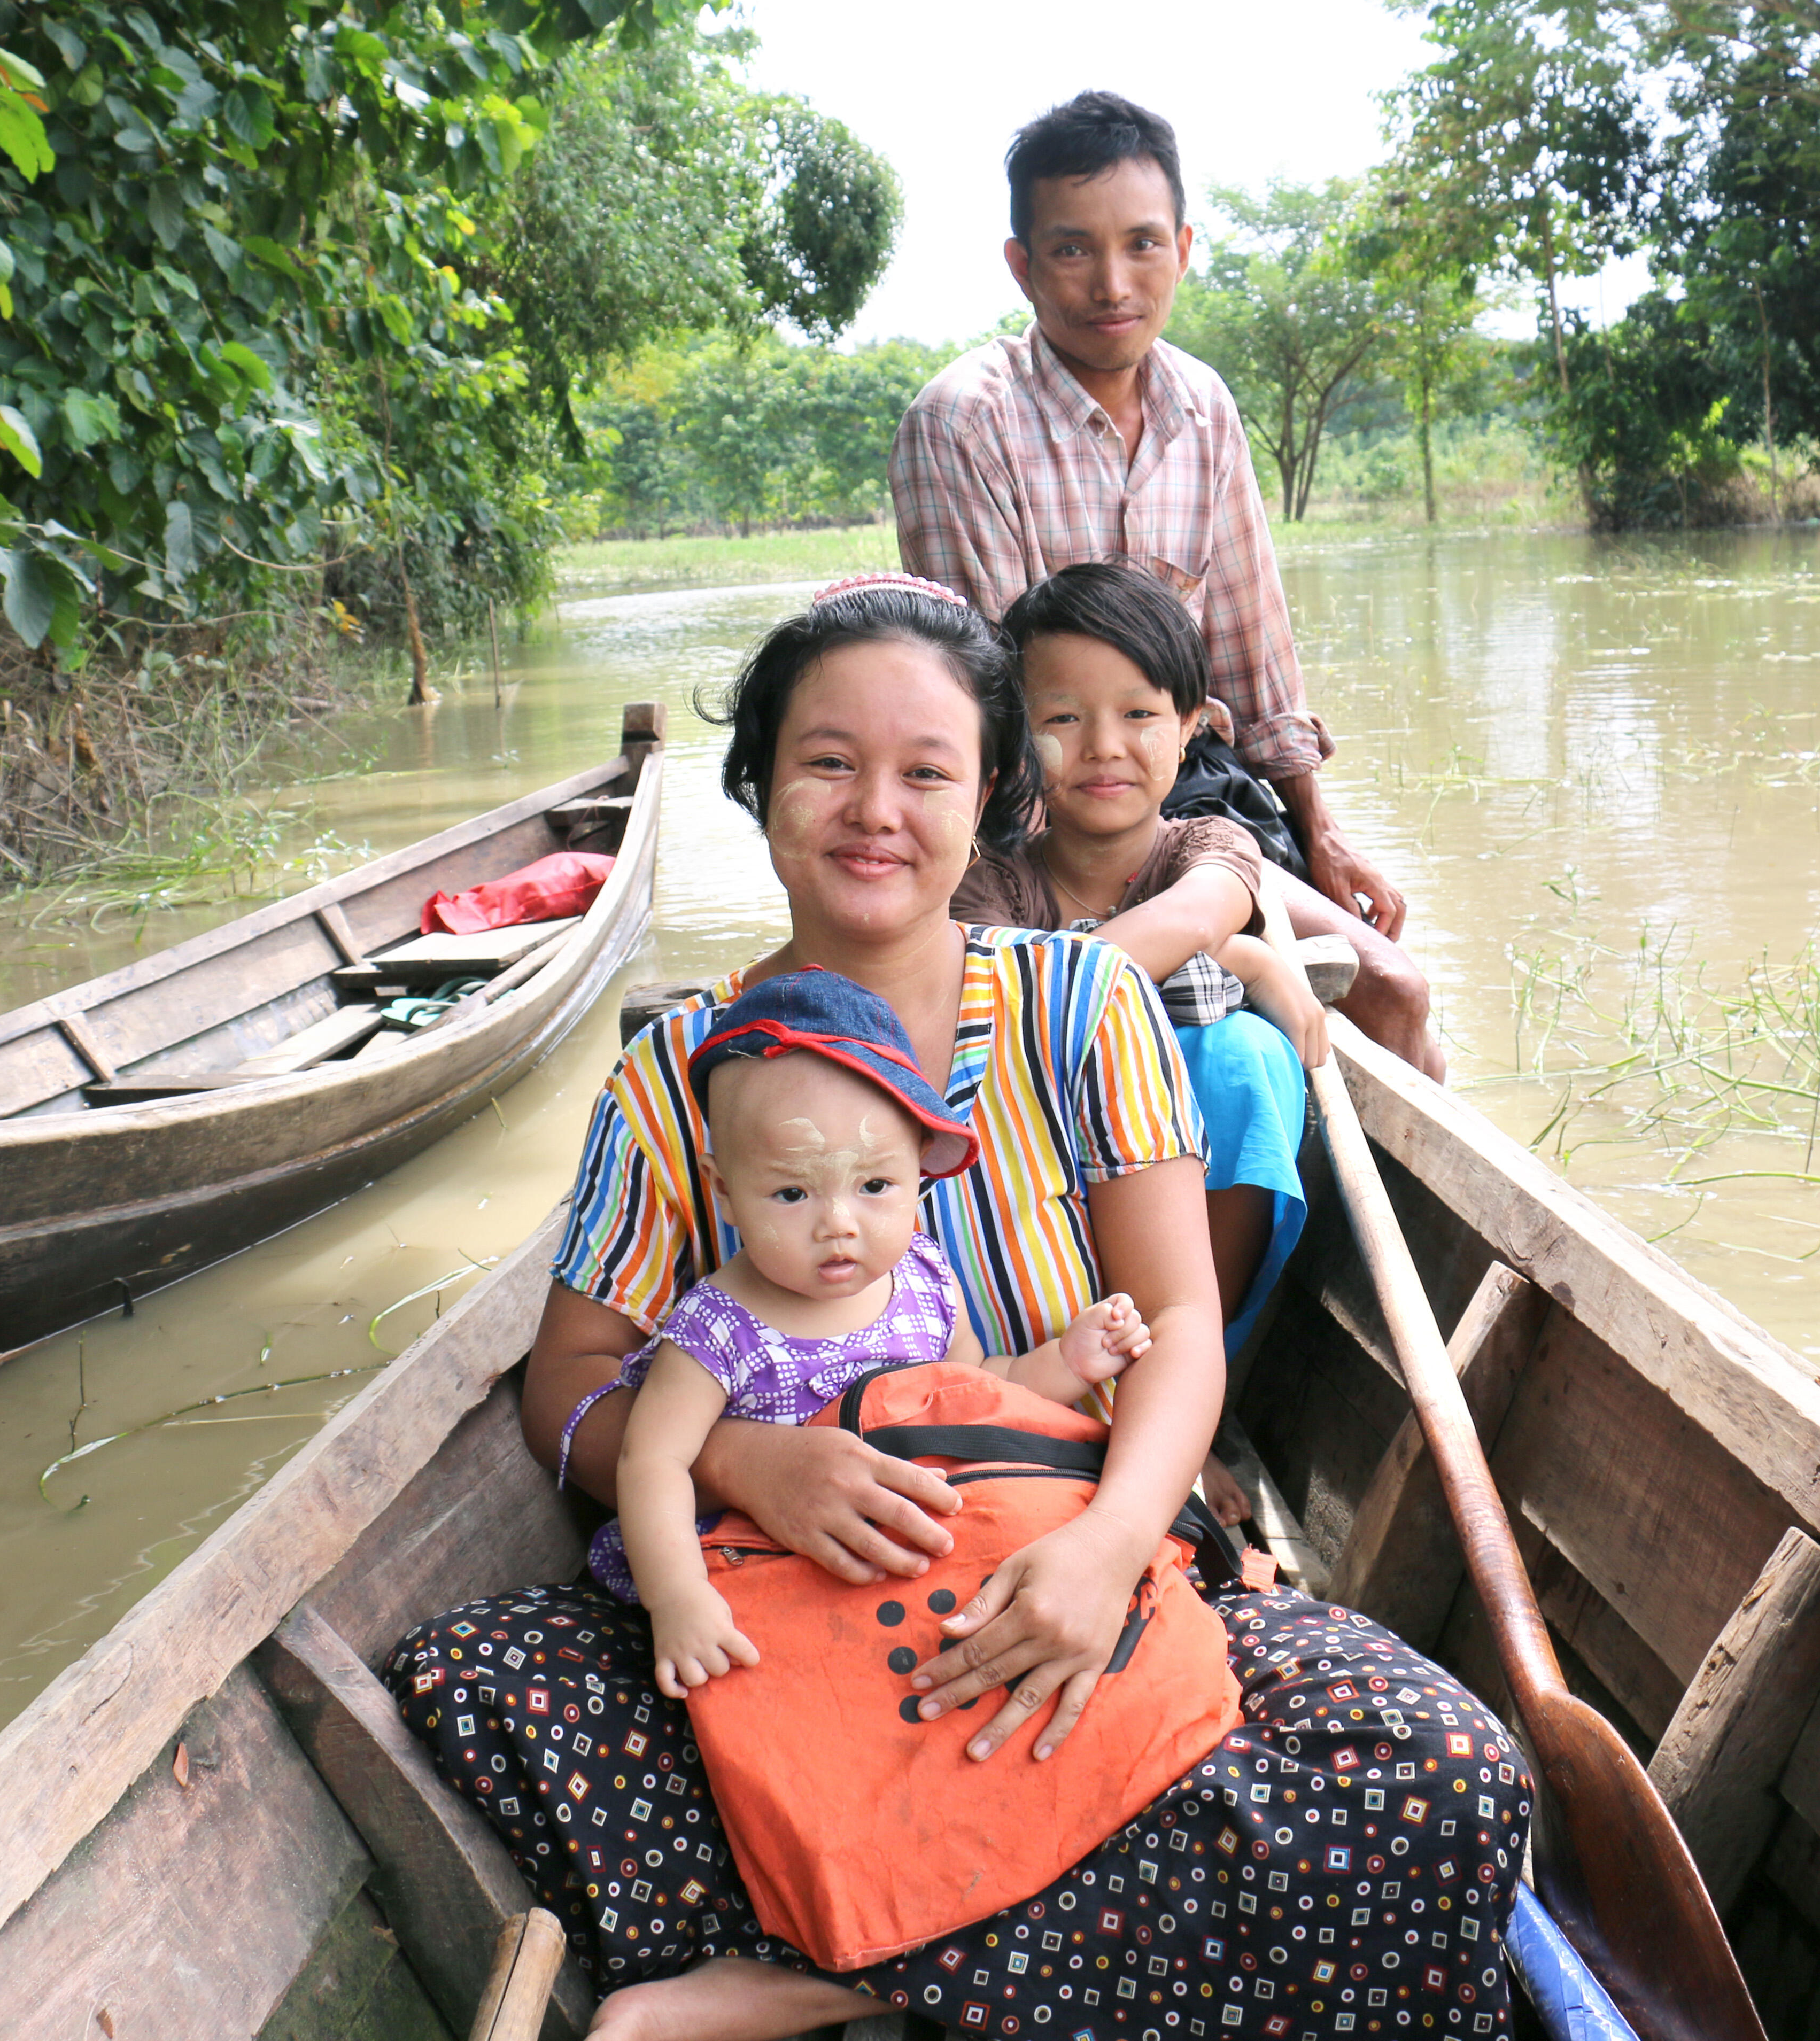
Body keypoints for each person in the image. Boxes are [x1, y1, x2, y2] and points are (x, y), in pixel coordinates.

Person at [393, 573, 1527, 2041]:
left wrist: (1113, 1548)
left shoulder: (1079, 1005)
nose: (877, 808)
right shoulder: (675, 1075)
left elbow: (1178, 1325)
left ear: (989, 796)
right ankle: (1016, 1917)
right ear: (757, 785)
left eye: (926, 772)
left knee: (1443, 1774)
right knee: (481, 1684)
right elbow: (576, 1385)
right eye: (828, 763)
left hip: (1074, 1559)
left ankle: (835, 1966)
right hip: (807, 1607)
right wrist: (745, 1461)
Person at [891, 88, 1447, 1079]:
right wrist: (1068, 900)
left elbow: (1252, 645)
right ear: (1021, 264)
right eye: (1071, 249)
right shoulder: (963, 421)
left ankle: (1390, 1229)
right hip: (1038, 808)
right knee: (1112, 1034)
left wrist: (1321, 835)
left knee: (1395, 988)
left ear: (1183, 249)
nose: (1112, 282)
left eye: (1142, 244)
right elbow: (979, 708)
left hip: (1189, 795)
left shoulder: (1203, 405)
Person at [602, 965, 1152, 1696]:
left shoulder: (922, 1279)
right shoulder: (716, 1328)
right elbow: (652, 1463)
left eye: (874, 1186)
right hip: (763, 1572)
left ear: (917, 1176)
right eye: (793, 1192)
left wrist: (1071, 1359)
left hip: (906, 1561)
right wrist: (678, 1598)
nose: (839, 1223)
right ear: (725, 1191)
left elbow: (980, 1388)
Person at [951, 561, 1314, 1520]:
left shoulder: (1209, 847)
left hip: (1180, 1202)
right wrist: (1251, 962)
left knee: (1241, 1059)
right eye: (1062, 718)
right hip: (1049, 1178)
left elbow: (1184, 919)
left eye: (1140, 716)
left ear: (1194, 724)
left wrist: (1232, 945)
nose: (1103, 747)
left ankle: (1183, 1410)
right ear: (1014, 740)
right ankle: (1084, 1393)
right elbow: (1037, 1000)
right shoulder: (989, 883)